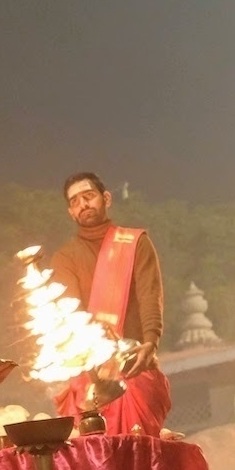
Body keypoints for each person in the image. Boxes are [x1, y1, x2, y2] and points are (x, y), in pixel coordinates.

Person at [49, 172, 171, 435]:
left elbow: (151, 296)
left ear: (106, 198)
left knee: (140, 448)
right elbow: (71, 315)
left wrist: (151, 342)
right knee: (93, 454)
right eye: (75, 201)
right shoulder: (64, 258)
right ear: (70, 212)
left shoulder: (135, 243)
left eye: (88, 196)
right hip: (89, 376)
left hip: (134, 366)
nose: (83, 204)